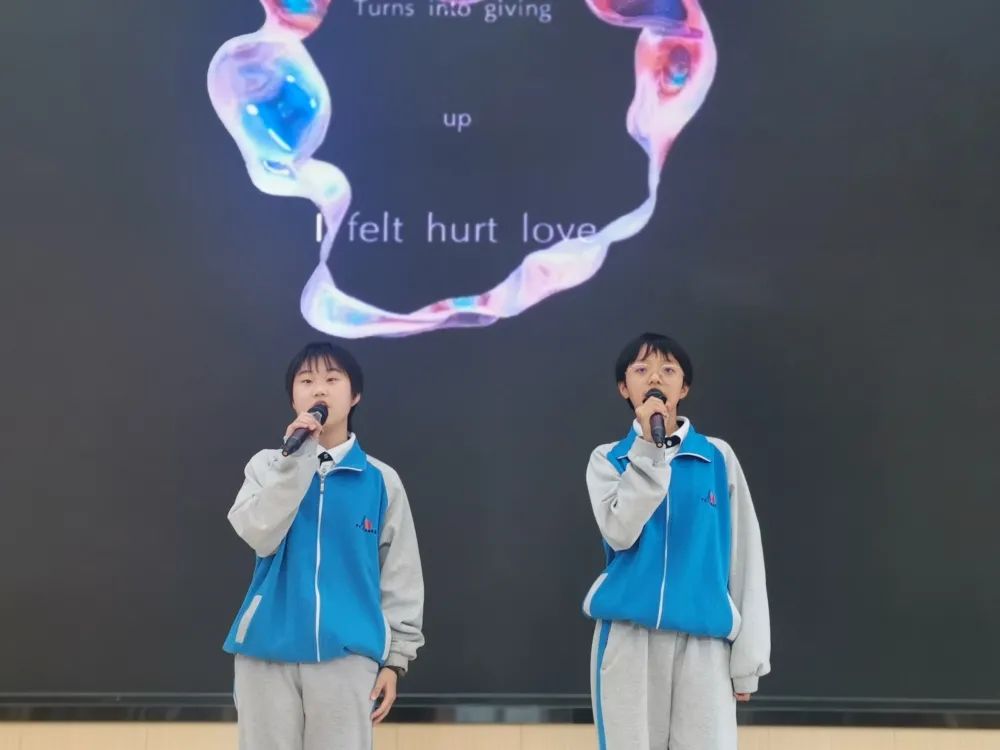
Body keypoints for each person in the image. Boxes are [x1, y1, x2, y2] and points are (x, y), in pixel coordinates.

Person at [223, 342, 424, 750]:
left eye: (332, 379)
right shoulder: (267, 465)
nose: (319, 389)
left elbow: (400, 573)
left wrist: (396, 660)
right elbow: (259, 533)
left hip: (347, 656)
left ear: (354, 395)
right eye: (307, 381)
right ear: (293, 398)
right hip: (265, 652)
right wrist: (295, 461)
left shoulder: (381, 480)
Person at [583, 332, 770, 750]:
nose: (655, 378)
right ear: (624, 388)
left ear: (683, 388)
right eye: (641, 369)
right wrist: (647, 454)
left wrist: (749, 660)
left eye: (668, 370)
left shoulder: (717, 458)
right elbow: (620, 531)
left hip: (704, 644)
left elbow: (744, 558)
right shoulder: (608, 460)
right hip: (630, 641)